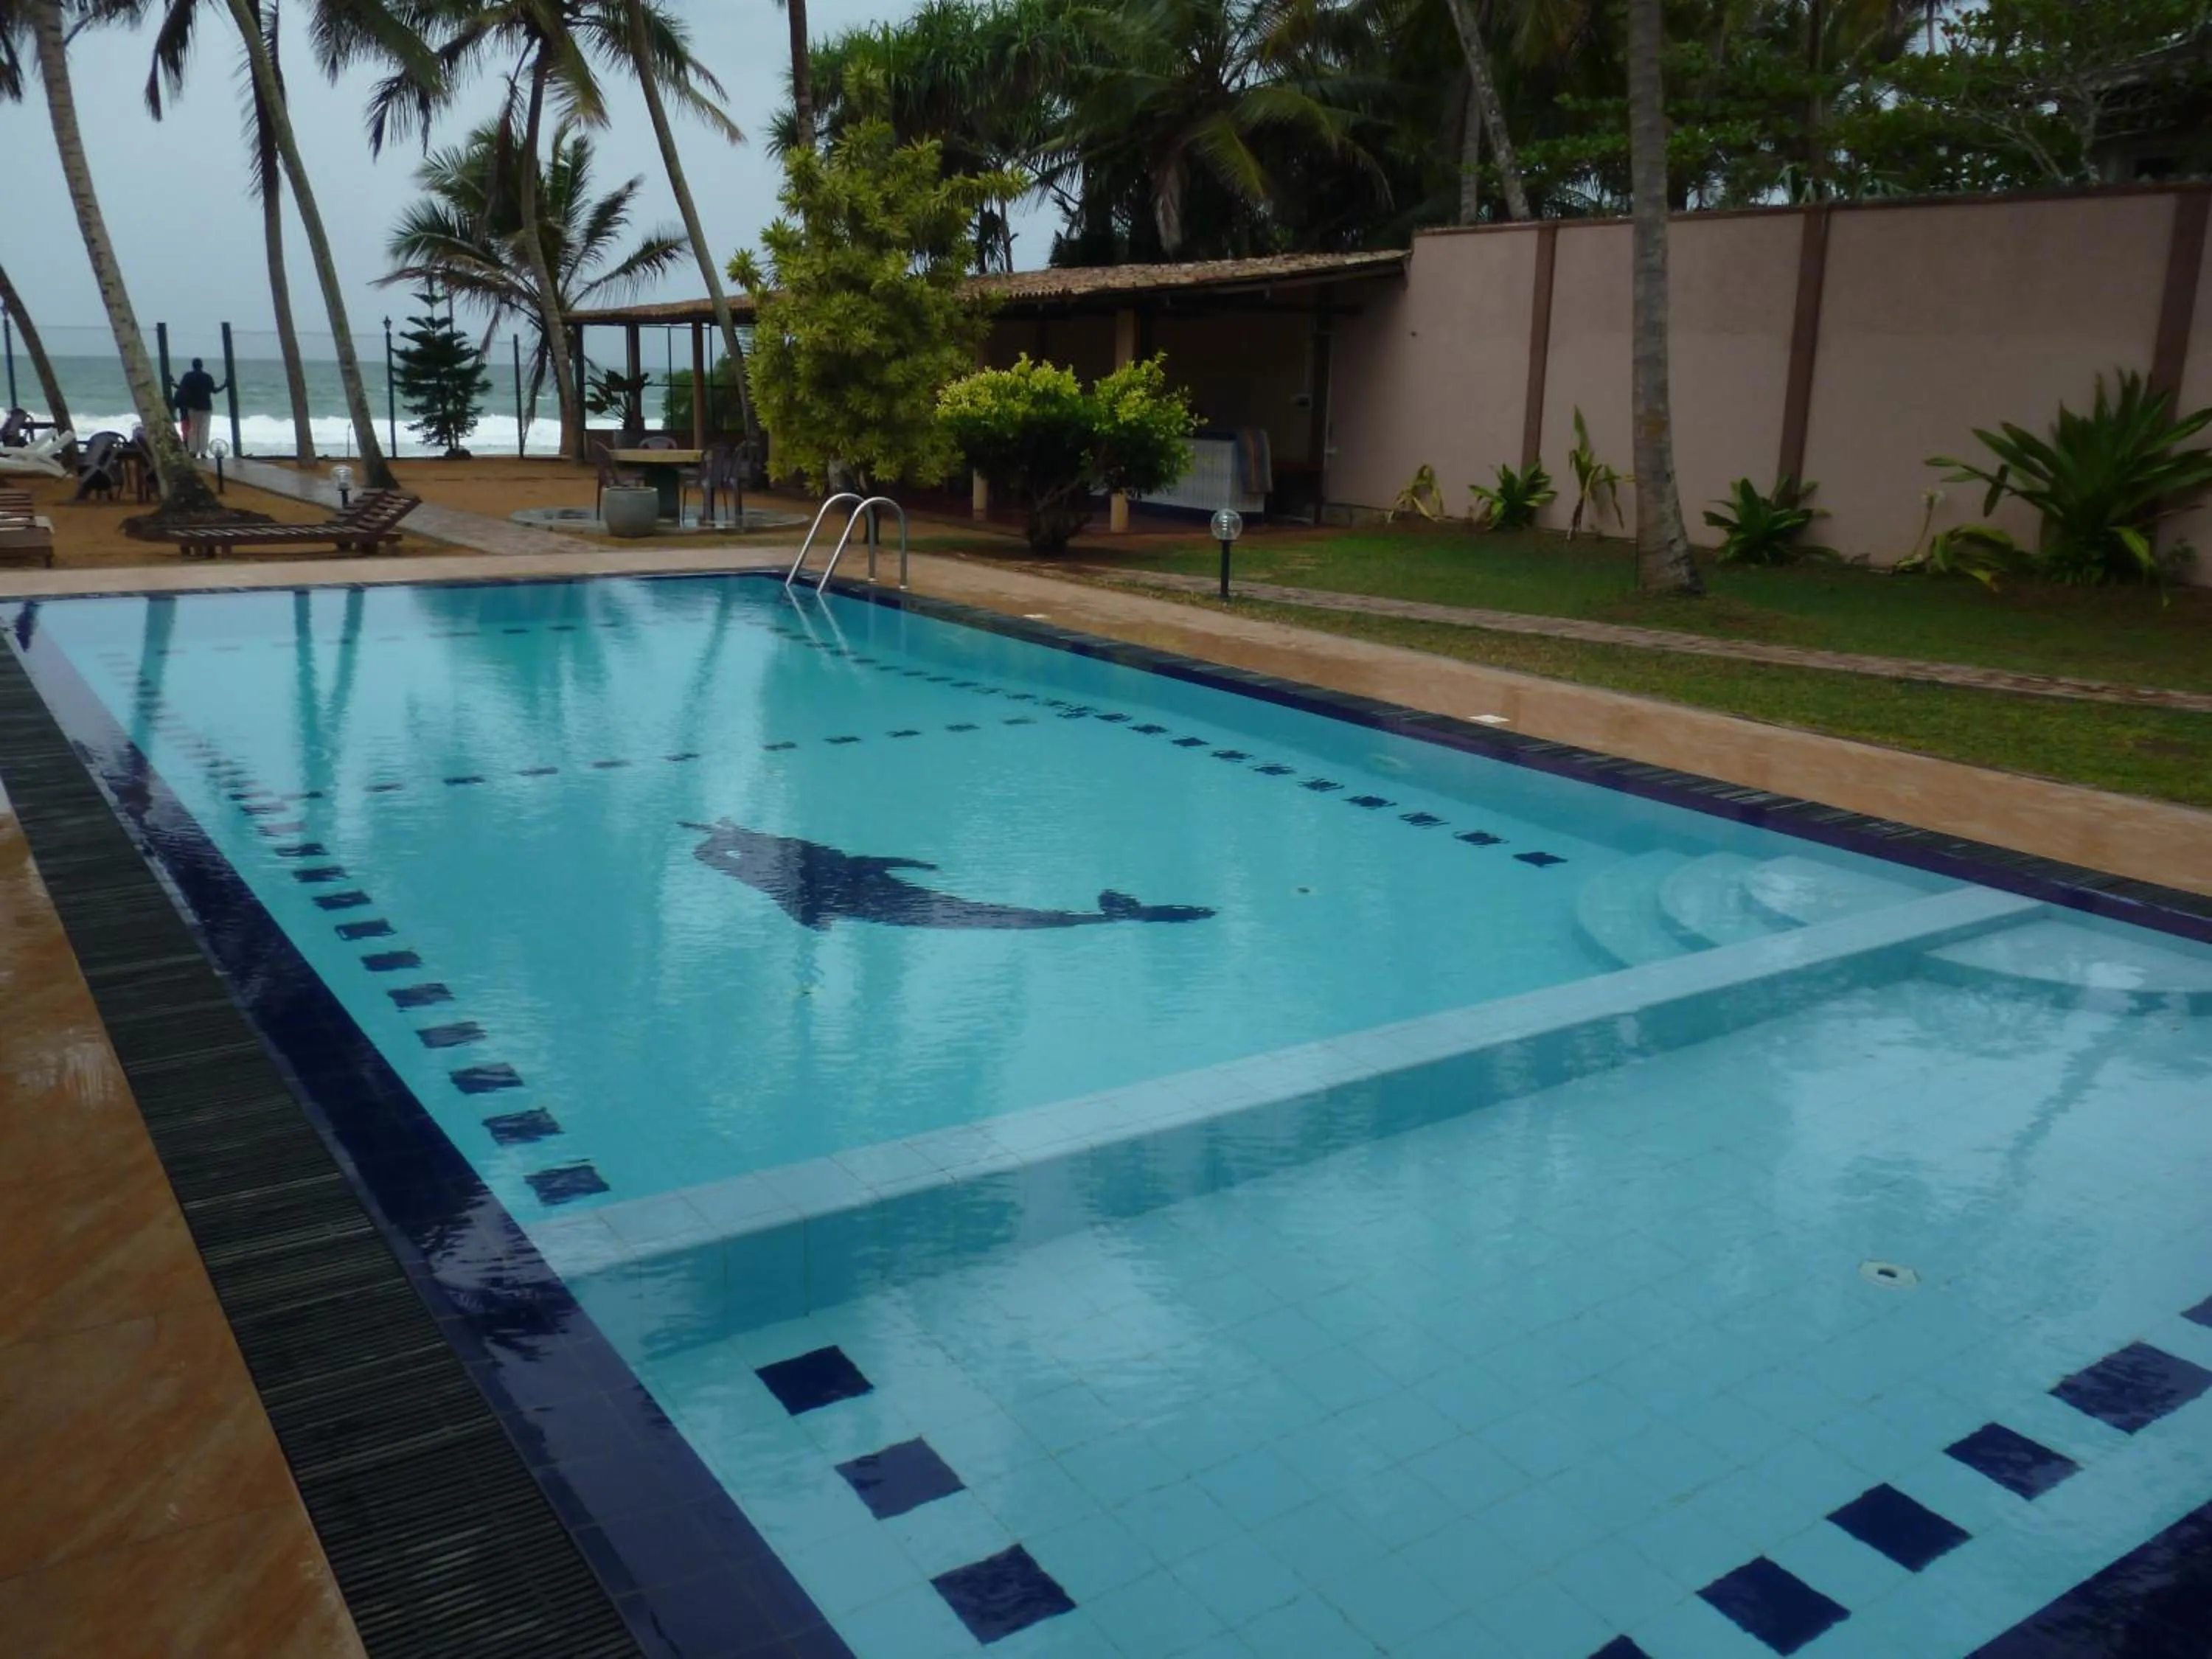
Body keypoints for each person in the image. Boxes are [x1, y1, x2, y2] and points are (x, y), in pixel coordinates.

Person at [170, 358, 226, 458]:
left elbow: (181, 389)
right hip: (206, 407)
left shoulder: (187, 376)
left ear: (193, 366)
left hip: (192, 406)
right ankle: (203, 453)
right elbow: (215, 391)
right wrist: (225, 385)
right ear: (202, 366)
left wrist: (173, 383)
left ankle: (193, 452)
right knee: (204, 430)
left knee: (193, 429)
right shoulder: (207, 377)